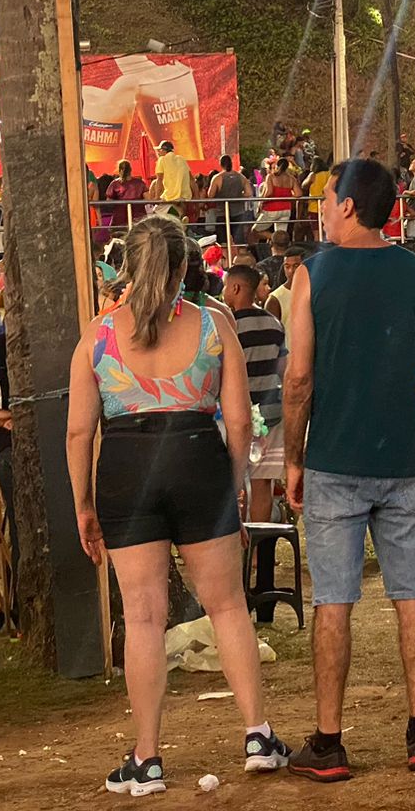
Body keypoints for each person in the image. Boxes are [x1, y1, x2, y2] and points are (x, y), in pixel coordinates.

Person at [65, 217, 289, 794]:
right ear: (185, 266)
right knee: (227, 606)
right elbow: (239, 421)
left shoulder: (98, 336)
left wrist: (83, 504)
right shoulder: (215, 326)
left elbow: (77, 434)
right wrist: (234, 487)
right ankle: (257, 734)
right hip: (198, 461)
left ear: (126, 266)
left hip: (124, 466)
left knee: (142, 616)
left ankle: (147, 758)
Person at [283, 160, 415, 781]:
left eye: (327, 197)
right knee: (412, 593)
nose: (322, 206)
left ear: (348, 205)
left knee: (335, 600)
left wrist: (293, 457)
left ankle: (329, 741)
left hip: (333, 457)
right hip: (404, 456)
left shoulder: (312, 275)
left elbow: (299, 378)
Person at [224, 265, 287, 525]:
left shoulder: (229, 325)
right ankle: (260, 551)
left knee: (235, 484)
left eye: (226, 286)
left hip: (237, 414)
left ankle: (240, 546)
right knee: (263, 485)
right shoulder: (274, 324)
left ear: (236, 288)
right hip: (271, 414)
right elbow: (283, 369)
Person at [156, 140, 194, 215]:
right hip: (184, 195)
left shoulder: (162, 160)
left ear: (164, 150)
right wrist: (196, 196)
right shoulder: (182, 159)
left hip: (170, 195)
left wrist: (157, 196)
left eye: (159, 150)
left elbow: (159, 179)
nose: (158, 153)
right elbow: (191, 179)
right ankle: (180, 216)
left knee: (157, 212)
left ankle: (178, 215)